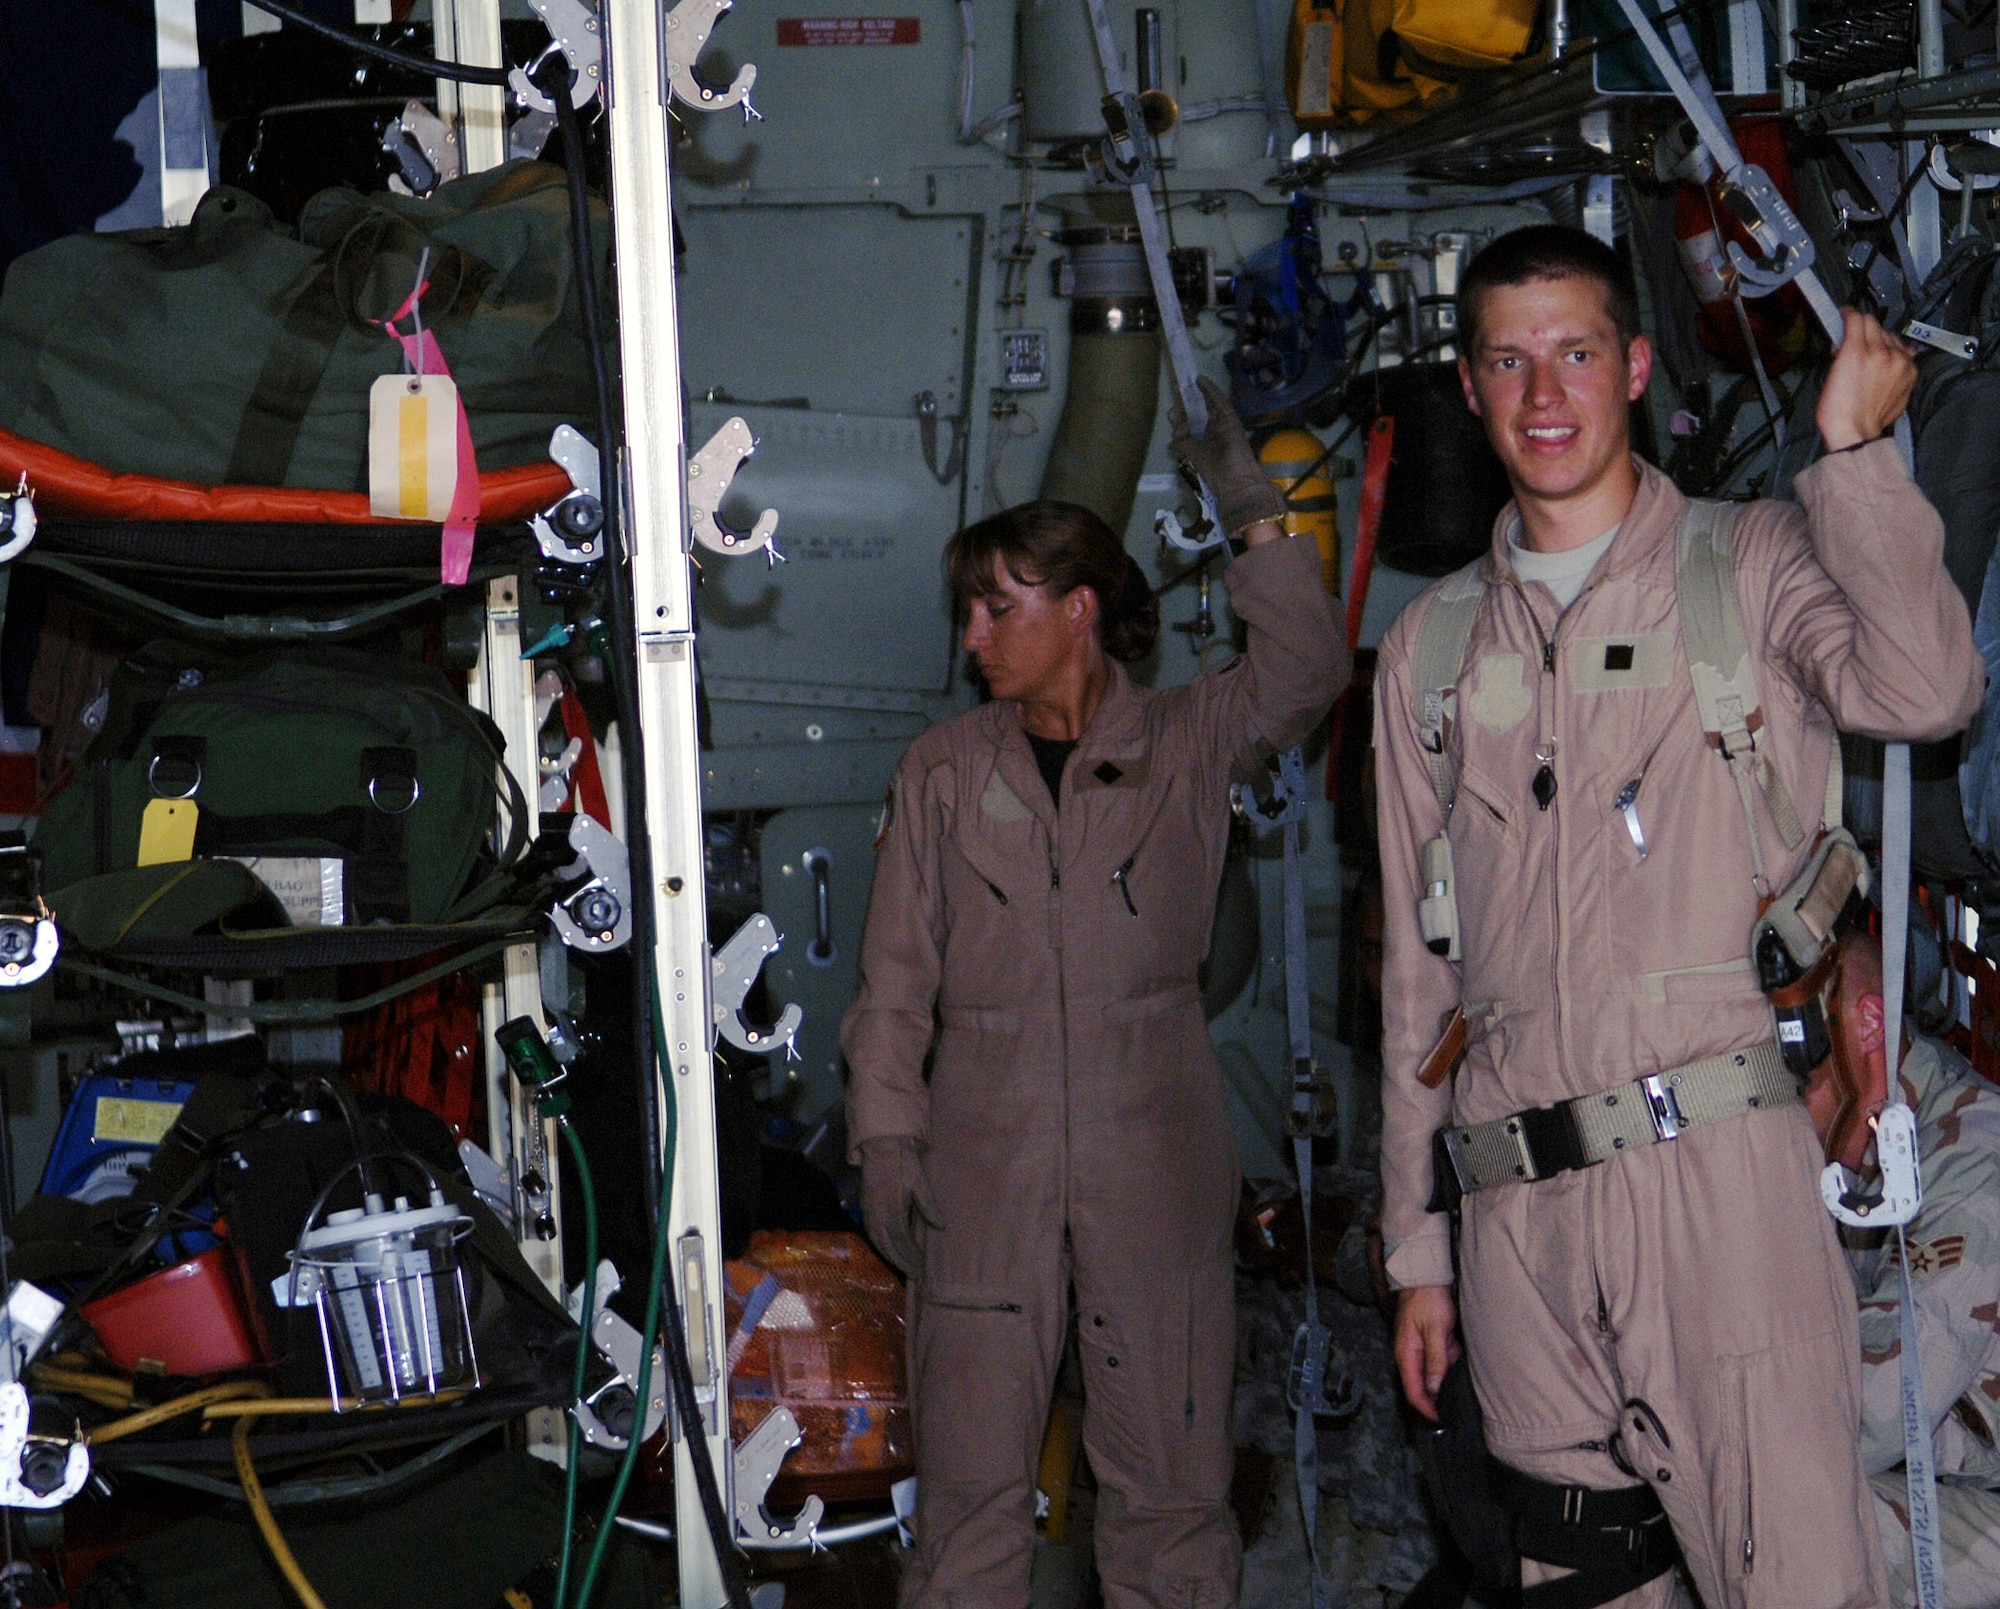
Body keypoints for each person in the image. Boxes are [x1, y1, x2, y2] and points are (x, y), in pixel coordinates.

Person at [1372, 223, 1983, 1608]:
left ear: (1636, 366)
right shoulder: (1430, 652)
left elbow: (1925, 689)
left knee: (1796, 1580)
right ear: (1467, 390)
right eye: (1507, 361)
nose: (1544, 395)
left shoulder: (1751, 565)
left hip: (1717, 1189)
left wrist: (1854, 462)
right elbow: (1420, 980)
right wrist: (1421, 1252)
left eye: (1576, 352)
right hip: (1516, 1216)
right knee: (1575, 1580)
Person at [841, 378, 1347, 1609]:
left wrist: (1250, 506)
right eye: (967, 608)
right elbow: (895, 985)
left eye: (994, 607)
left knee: (1170, 1508)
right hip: (981, 1165)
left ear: (1076, 612)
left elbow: (1307, 668)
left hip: (1154, 1162)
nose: (971, 635)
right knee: (963, 1514)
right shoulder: (944, 775)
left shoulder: (1185, 741)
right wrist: (885, 1141)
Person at [1812, 937, 2000, 1609]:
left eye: (1794, 1063)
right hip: (1957, 1471)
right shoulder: (1865, 1145)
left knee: (1796, 1531)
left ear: (1866, 1024)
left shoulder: (1971, 1153)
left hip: (1984, 1498)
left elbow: (1868, 1418)